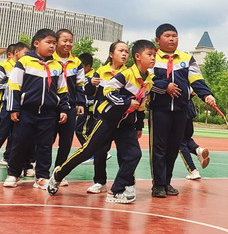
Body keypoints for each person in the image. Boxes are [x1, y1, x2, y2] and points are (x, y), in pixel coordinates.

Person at [47, 39, 157, 203]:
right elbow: (108, 91)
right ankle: (58, 174)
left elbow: (141, 106)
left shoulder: (149, 80)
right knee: (88, 151)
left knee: (134, 154)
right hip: (108, 120)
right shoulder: (125, 75)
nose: (154, 58)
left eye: (155, 55)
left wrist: (139, 125)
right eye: (150, 55)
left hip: (126, 125)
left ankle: (116, 191)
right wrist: (126, 102)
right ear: (138, 56)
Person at [149, 24, 216, 198]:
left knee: (173, 148)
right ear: (158, 40)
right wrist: (165, 87)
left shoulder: (187, 58)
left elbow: (196, 79)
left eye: (174, 36)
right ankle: (158, 184)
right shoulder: (151, 57)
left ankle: (167, 182)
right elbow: (147, 82)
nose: (172, 39)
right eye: (167, 36)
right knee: (159, 148)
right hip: (159, 110)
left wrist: (207, 95)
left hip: (181, 111)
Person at [4, 28, 68, 189]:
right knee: (20, 143)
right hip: (26, 112)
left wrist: (64, 109)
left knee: (45, 145)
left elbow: (63, 90)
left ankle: (42, 176)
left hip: (48, 113)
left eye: (54, 43)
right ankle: (13, 174)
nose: (52, 46)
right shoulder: (24, 62)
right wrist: (14, 108)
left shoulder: (57, 66)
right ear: (36, 43)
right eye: (48, 42)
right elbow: (14, 86)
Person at [85, 41, 129, 194]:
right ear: (111, 54)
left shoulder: (129, 73)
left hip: (122, 119)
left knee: (125, 153)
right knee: (100, 150)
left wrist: (138, 126)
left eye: (126, 51)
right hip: (103, 118)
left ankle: (125, 183)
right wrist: (91, 83)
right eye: (121, 50)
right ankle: (99, 182)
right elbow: (89, 92)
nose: (124, 54)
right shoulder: (101, 71)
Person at [51, 29, 86, 185]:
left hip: (70, 106)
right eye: (64, 40)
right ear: (57, 41)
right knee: (46, 139)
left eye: (70, 41)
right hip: (50, 106)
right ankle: (41, 170)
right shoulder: (49, 59)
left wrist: (80, 103)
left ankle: (59, 171)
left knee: (66, 141)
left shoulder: (77, 62)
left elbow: (80, 85)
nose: (68, 44)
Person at [179, 98, 210, 180]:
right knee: (186, 139)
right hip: (189, 110)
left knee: (180, 143)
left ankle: (193, 170)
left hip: (179, 110)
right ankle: (198, 150)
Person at [74, 52, 95, 146]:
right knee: (88, 131)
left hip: (89, 109)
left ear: (88, 66)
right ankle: (93, 152)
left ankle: (93, 150)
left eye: (81, 67)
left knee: (80, 130)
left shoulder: (93, 77)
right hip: (84, 107)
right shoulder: (82, 76)